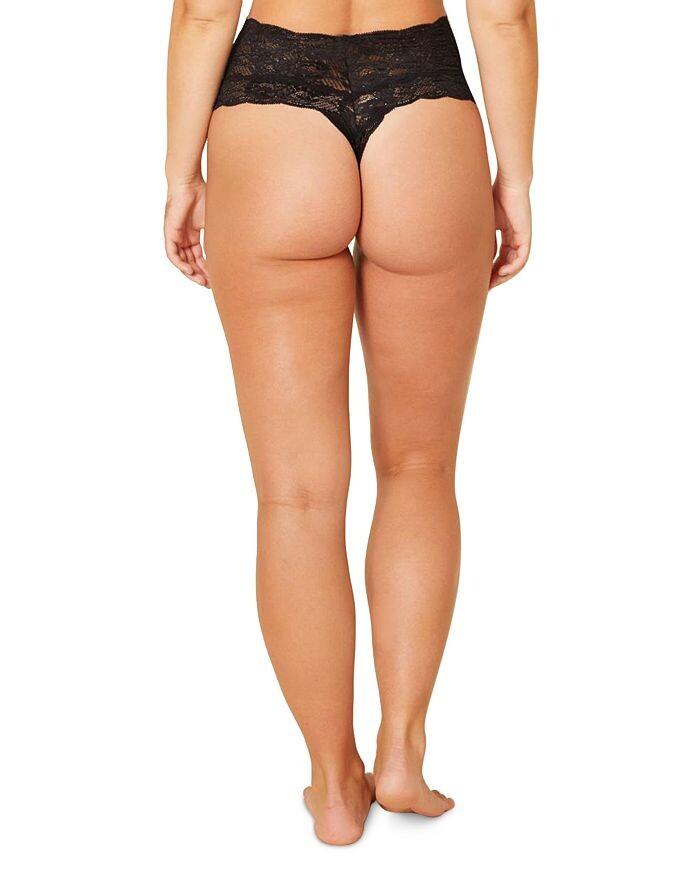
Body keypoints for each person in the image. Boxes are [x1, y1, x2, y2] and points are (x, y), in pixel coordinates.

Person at [164, 0, 537, 846]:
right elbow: (506, 16)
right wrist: (514, 175)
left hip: (271, 119)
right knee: (419, 465)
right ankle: (401, 754)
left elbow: (203, 12)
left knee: (295, 496)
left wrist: (183, 173)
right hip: (425, 114)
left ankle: (335, 786)